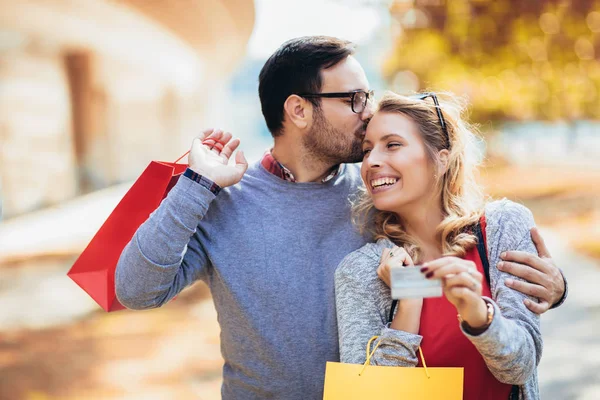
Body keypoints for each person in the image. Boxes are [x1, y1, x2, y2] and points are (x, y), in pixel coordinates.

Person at [115, 37, 566, 399]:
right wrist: (198, 183)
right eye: (353, 98)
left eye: (367, 96)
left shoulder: (379, 196)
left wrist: (549, 287)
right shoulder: (225, 203)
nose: (368, 111)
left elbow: (451, 245)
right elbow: (134, 291)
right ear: (298, 110)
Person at [335, 92, 550, 399]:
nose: (372, 161)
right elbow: (369, 395)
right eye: (367, 150)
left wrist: (477, 314)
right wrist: (410, 295)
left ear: (442, 156)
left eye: (392, 145)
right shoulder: (361, 271)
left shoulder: (503, 226)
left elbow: (520, 367)